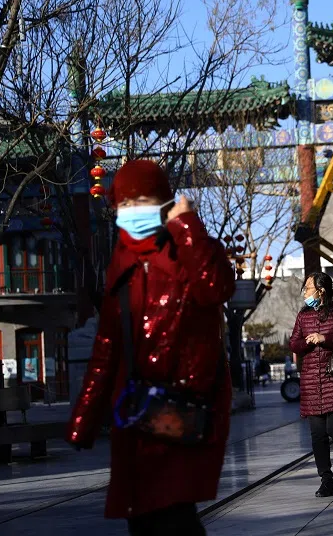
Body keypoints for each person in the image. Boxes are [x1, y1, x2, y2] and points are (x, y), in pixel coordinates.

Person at [66, 159, 234, 536]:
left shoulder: (192, 248)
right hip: (136, 410)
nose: (132, 211)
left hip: (182, 404)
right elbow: (106, 347)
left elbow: (214, 287)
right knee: (141, 516)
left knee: (172, 513)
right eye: (125, 204)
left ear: (165, 202)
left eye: (142, 200)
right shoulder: (121, 262)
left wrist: (187, 225)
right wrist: (83, 421)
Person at [289, 272, 333, 498]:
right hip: (311, 382)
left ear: (321, 290)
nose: (305, 293)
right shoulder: (303, 315)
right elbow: (293, 343)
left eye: (308, 288)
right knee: (318, 435)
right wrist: (306, 343)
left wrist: (324, 338)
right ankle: (326, 480)